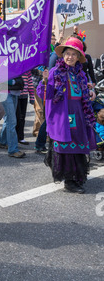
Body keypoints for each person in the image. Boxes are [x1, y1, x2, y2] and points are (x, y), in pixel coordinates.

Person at [37, 36, 96, 194]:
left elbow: (85, 92)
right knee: (65, 146)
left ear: (78, 58)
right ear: (62, 55)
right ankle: (69, 181)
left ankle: (76, 176)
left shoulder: (81, 74)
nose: (70, 57)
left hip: (79, 113)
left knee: (77, 145)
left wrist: (91, 92)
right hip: (62, 114)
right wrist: (44, 81)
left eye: (74, 54)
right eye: (67, 53)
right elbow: (46, 94)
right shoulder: (54, 72)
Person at [0, 77, 26, 158]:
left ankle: (3, 142)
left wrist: (13, 82)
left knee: (9, 119)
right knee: (12, 121)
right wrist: (13, 82)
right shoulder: (3, 65)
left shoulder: (15, 64)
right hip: (5, 93)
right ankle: (13, 150)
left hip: (14, 93)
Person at [16, 71, 35, 145]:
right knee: (15, 118)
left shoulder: (27, 71)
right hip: (15, 96)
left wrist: (32, 97)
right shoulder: (15, 68)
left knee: (22, 117)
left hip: (24, 97)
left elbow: (30, 84)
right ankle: (14, 138)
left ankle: (20, 137)